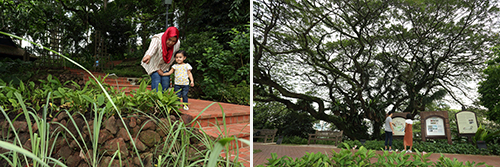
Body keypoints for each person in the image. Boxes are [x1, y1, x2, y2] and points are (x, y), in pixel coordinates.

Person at [141, 26, 180, 92]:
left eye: (173, 41)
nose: (171, 43)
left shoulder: (177, 43)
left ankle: (163, 100)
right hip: (154, 63)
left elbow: (175, 55)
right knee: (156, 79)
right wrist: (148, 55)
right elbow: (152, 48)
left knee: (166, 82)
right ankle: (155, 100)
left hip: (165, 66)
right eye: (169, 39)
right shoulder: (157, 39)